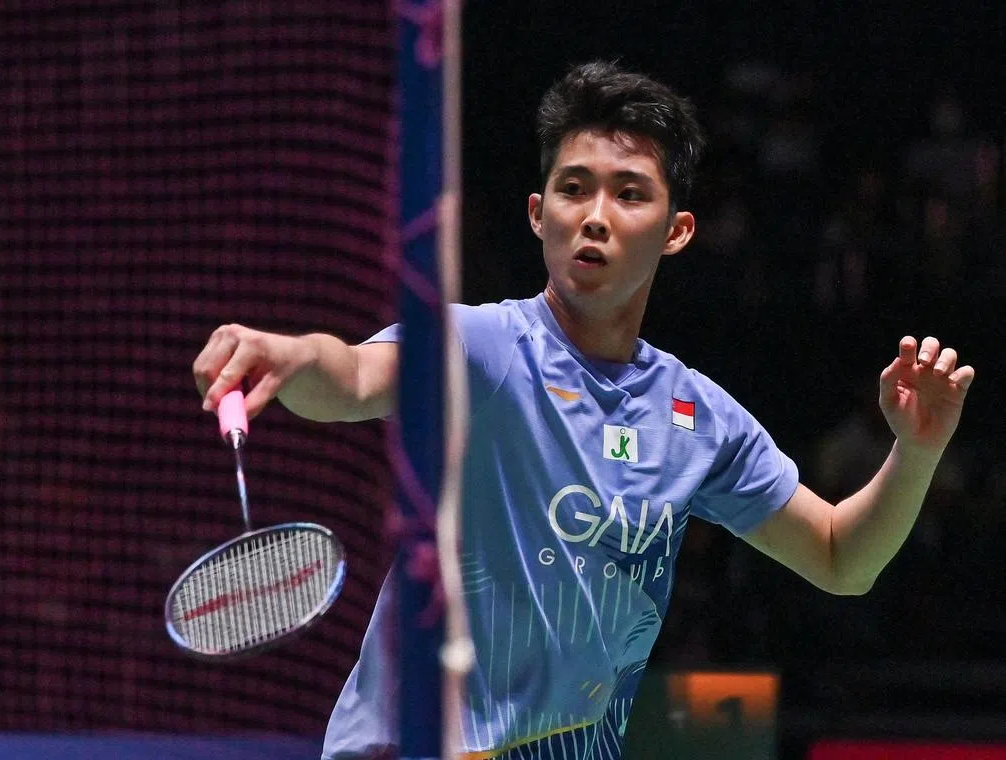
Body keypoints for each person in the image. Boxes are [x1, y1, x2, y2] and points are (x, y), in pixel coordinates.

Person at [192, 61, 976, 760]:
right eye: (574, 189)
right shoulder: (484, 348)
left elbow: (842, 558)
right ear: (539, 214)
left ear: (677, 232)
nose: (594, 215)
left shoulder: (697, 417)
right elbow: (358, 376)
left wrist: (915, 453)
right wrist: (295, 356)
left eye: (629, 193)